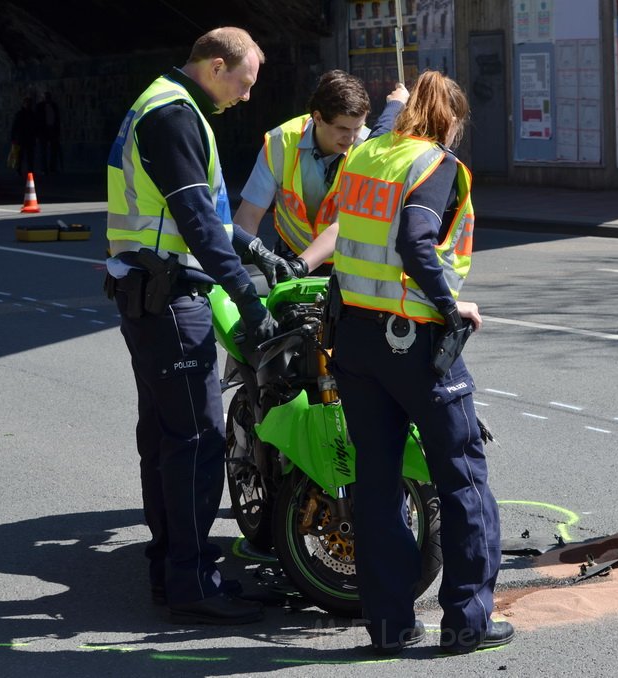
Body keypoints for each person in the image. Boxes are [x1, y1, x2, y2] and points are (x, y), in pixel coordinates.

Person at [105, 26, 289, 626]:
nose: (246, 95)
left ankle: (168, 569)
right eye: (244, 81)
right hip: (170, 299)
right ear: (215, 66)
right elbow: (196, 221)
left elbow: (202, 210)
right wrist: (247, 294)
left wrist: (254, 249)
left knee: (163, 436)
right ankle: (192, 581)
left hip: (146, 292)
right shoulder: (175, 116)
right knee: (196, 441)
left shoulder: (160, 104)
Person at [330, 70, 513, 655]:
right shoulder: (435, 165)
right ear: (450, 120)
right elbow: (415, 239)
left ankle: (387, 626)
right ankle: (466, 625)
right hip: (414, 340)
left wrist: (392, 105)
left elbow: (386, 139)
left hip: (355, 339)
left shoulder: (366, 155)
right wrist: (451, 306)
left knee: (377, 484)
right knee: (463, 480)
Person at [232, 70, 408, 280]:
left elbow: (342, 224)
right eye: (342, 128)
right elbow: (249, 215)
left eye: (358, 127)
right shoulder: (281, 141)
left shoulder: (367, 148)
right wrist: (241, 269)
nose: (351, 137)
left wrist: (298, 268)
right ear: (318, 118)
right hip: (290, 255)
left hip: (345, 264)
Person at [35, 91, 61, 174]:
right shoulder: (39, 106)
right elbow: (38, 120)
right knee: (43, 150)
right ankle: (44, 168)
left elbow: (57, 118)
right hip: (43, 130)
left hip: (52, 129)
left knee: (53, 150)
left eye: (48, 97)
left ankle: (52, 168)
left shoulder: (54, 106)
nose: (47, 99)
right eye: (45, 97)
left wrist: (57, 130)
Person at [10, 95, 36, 176]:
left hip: (28, 137)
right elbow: (15, 126)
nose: (28, 105)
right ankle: (19, 170)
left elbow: (34, 126)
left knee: (29, 156)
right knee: (21, 156)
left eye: (29, 103)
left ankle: (29, 170)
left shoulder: (31, 114)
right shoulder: (20, 114)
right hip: (22, 138)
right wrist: (13, 137)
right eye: (27, 103)